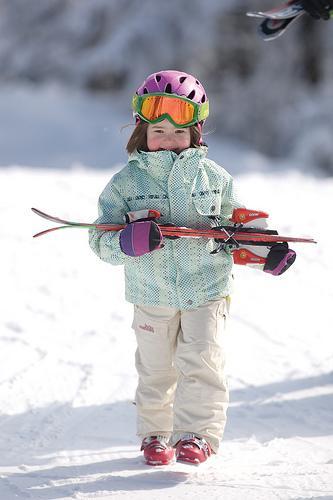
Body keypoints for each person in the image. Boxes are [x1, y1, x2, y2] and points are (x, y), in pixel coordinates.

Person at [89, 70, 295, 466]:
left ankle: (197, 436)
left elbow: (239, 231)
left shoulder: (215, 179)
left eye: (178, 132)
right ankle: (155, 434)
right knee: (156, 370)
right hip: (151, 295)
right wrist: (126, 242)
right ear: (141, 131)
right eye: (158, 130)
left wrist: (267, 252)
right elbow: (101, 242)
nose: (168, 140)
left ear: (196, 132)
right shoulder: (123, 185)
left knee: (203, 364)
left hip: (207, 292)